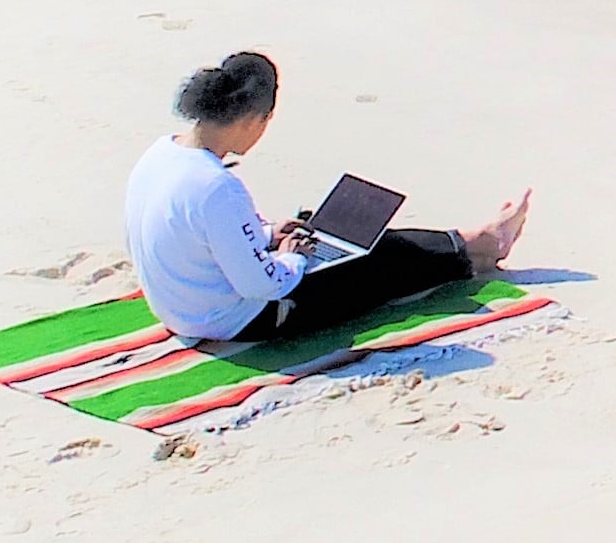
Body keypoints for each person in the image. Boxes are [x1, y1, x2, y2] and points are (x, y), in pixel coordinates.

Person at [121, 48, 530, 346]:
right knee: (373, 263)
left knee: (344, 238)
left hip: (179, 307)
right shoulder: (217, 186)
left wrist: (267, 234)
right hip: (236, 320)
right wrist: (292, 256)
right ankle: (482, 247)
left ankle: (472, 244)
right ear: (251, 120)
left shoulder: (162, 154)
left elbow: (193, 232)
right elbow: (261, 285)